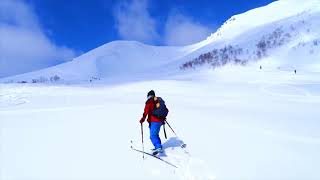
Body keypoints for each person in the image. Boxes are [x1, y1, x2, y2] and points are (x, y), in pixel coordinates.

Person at [139, 90, 165, 155]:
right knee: (155, 134)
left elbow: (146, 111)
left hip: (154, 121)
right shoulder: (158, 101)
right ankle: (158, 147)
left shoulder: (149, 102)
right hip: (160, 121)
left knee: (153, 135)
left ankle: (158, 147)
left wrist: (142, 119)